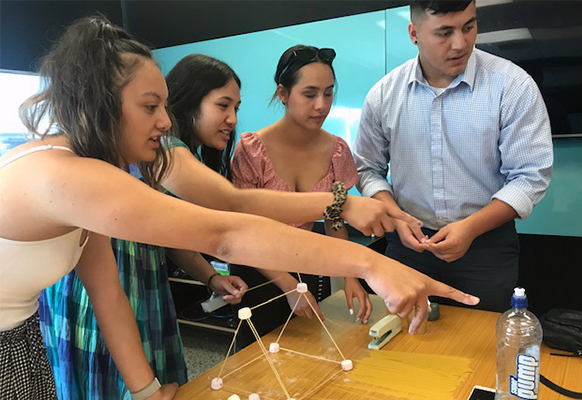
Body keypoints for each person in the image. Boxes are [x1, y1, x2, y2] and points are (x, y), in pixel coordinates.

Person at [0, 14, 479, 400]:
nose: (165, 122)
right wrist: (369, 259)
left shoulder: (84, 171)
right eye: (149, 107)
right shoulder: (64, 174)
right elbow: (225, 229)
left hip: (20, 344)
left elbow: (107, 292)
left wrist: (146, 391)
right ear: (100, 102)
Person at [39, 55, 250, 398]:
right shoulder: (167, 150)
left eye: (236, 107)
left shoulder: (169, 152)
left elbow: (168, 234)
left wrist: (210, 277)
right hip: (112, 291)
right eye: (222, 105)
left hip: (139, 288)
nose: (232, 119)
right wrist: (336, 206)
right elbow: (234, 213)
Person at [353, 0, 553, 312]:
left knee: (481, 346)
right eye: (444, 32)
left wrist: (470, 228)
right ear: (414, 33)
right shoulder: (384, 95)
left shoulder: (512, 86)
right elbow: (367, 170)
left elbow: (530, 177)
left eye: (469, 27)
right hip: (408, 246)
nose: (460, 43)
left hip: (485, 248)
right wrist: (395, 215)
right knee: (402, 344)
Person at [230, 45, 373, 349]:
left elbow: (334, 220)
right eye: (309, 94)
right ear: (283, 93)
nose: (321, 105)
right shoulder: (253, 150)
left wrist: (350, 275)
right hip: (257, 270)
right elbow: (244, 230)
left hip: (305, 264)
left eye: (328, 93)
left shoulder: (337, 151)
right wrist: (288, 285)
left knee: (309, 352)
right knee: (259, 360)